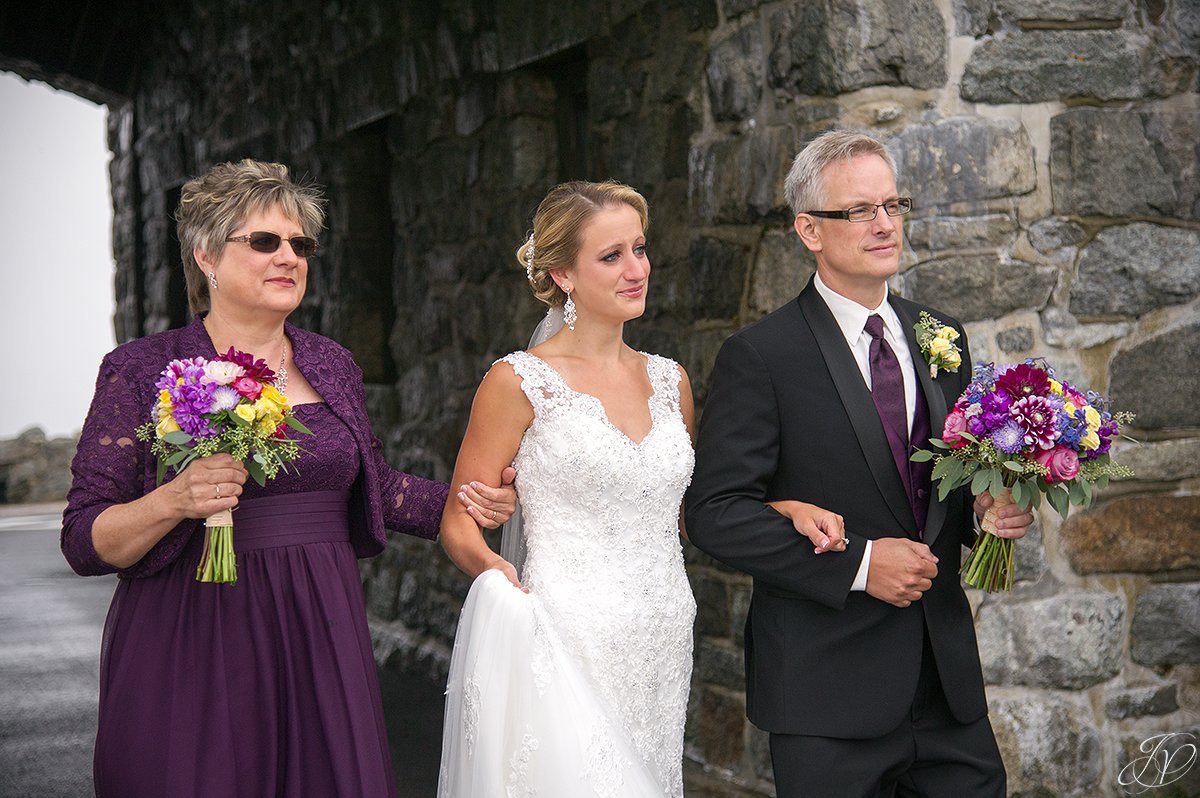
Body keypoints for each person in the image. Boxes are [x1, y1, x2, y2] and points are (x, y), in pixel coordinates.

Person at [60, 159, 516, 798]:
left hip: (318, 628)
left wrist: (473, 501)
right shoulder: (140, 370)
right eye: (265, 241)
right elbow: (84, 538)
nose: (290, 257)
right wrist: (172, 500)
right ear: (207, 256)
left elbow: (377, 487)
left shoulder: (330, 362)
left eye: (301, 244)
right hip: (192, 630)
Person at [435, 180, 845, 797]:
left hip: (661, 636)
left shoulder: (667, 379)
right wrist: (501, 581)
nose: (637, 269)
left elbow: (685, 510)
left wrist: (779, 508)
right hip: (564, 634)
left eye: (641, 249)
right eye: (612, 256)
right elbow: (458, 521)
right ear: (562, 274)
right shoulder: (518, 381)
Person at [685, 130, 1035, 798]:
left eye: (893, 204)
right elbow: (714, 513)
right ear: (809, 231)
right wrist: (862, 565)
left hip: (946, 689)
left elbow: (944, 493)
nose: (884, 224)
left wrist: (988, 512)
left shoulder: (944, 336)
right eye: (860, 211)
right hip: (827, 692)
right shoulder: (762, 356)